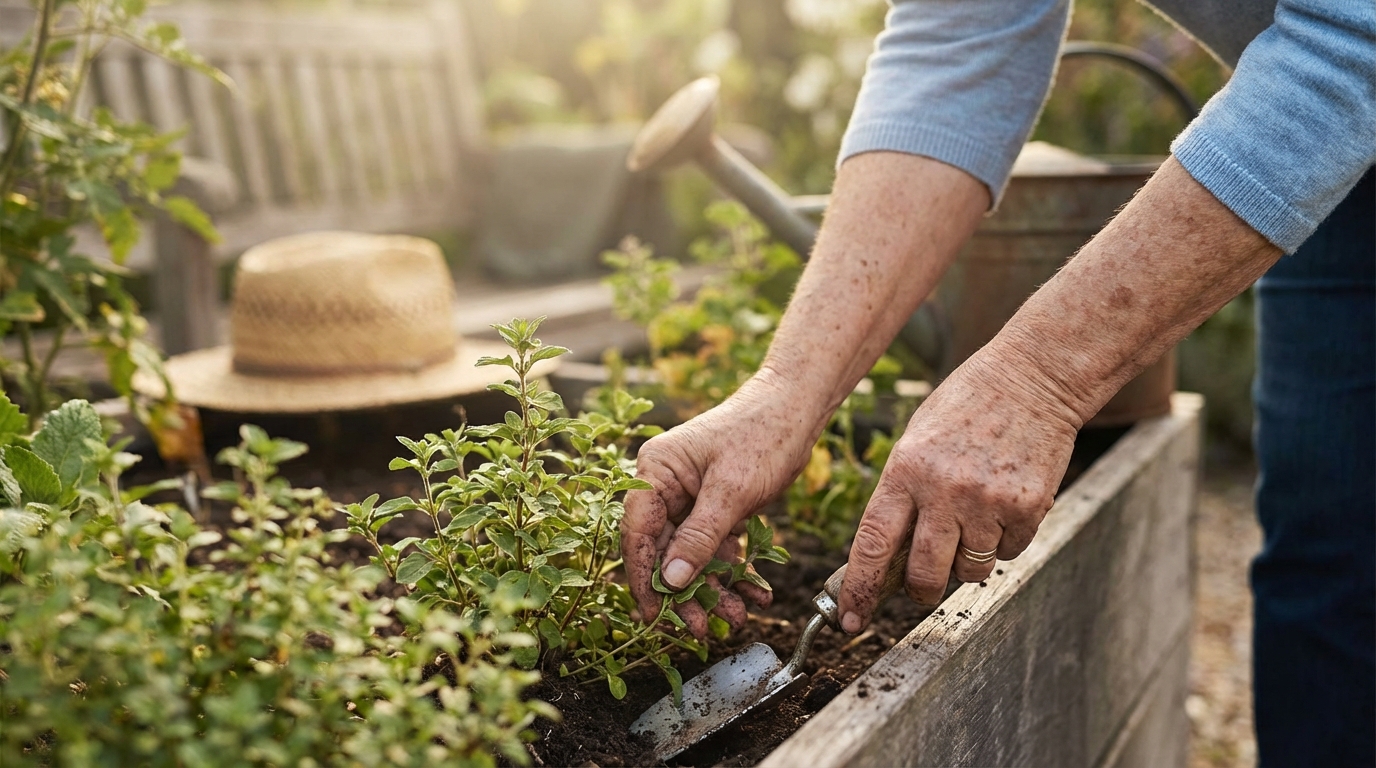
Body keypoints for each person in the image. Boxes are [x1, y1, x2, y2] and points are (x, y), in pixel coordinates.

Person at [619, 0, 1375, 764]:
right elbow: (960, 42)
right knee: (1327, 563)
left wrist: (1037, 379)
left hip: (1332, 90)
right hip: (1329, 143)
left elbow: (1354, 33)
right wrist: (784, 392)